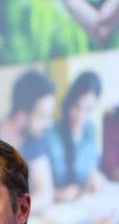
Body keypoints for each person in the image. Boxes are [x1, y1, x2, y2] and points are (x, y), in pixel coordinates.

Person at [0, 70, 56, 211]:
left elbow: (46, 194)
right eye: (42, 116)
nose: (48, 124)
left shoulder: (35, 138)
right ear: (21, 115)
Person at [48, 71, 105, 201]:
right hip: (56, 206)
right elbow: (34, 186)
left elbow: (90, 168)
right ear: (70, 101)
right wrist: (58, 194)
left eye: (88, 109)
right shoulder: (50, 134)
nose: (80, 115)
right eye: (77, 106)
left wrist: (95, 177)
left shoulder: (90, 130)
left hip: (83, 201)